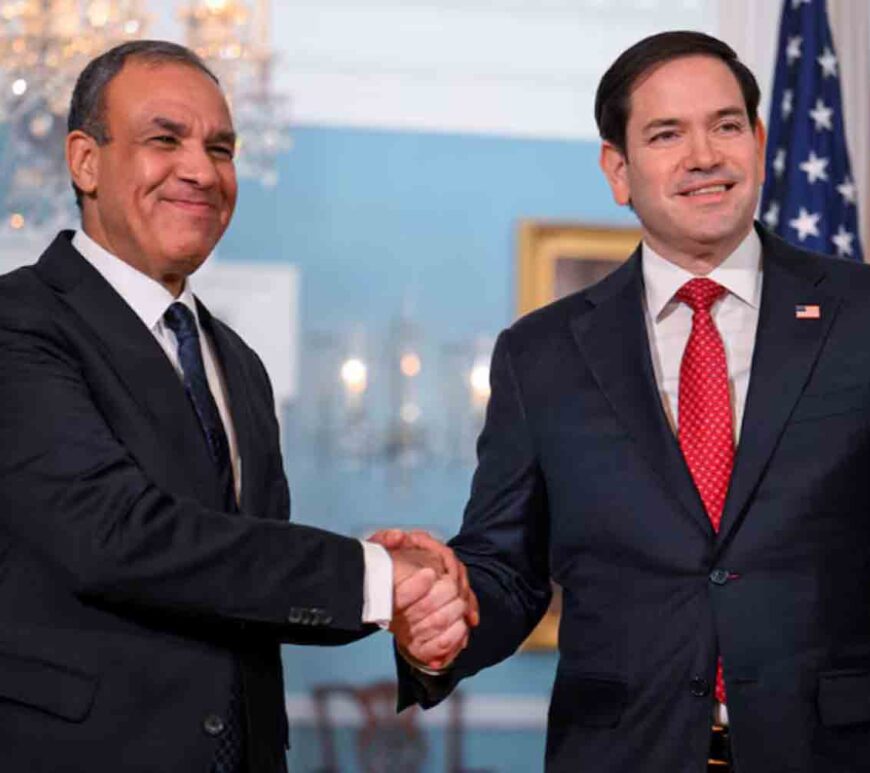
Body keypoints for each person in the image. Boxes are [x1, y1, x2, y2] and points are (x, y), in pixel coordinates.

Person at [390, 30, 870, 772]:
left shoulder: (858, 316)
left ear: (760, 142)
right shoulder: (541, 353)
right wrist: (441, 616)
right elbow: (508, 572)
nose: (704, 155)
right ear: (619, 169)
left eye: (726, 125)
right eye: (667, 134)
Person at [0, 40, 474, 773]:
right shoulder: (19, 323)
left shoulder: (239, 365)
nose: (201, 170)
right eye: (166, 139)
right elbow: (117, 536)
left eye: (221, 148)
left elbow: (246, 579)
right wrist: (376, 574)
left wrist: (403, 614)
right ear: (84, 161)